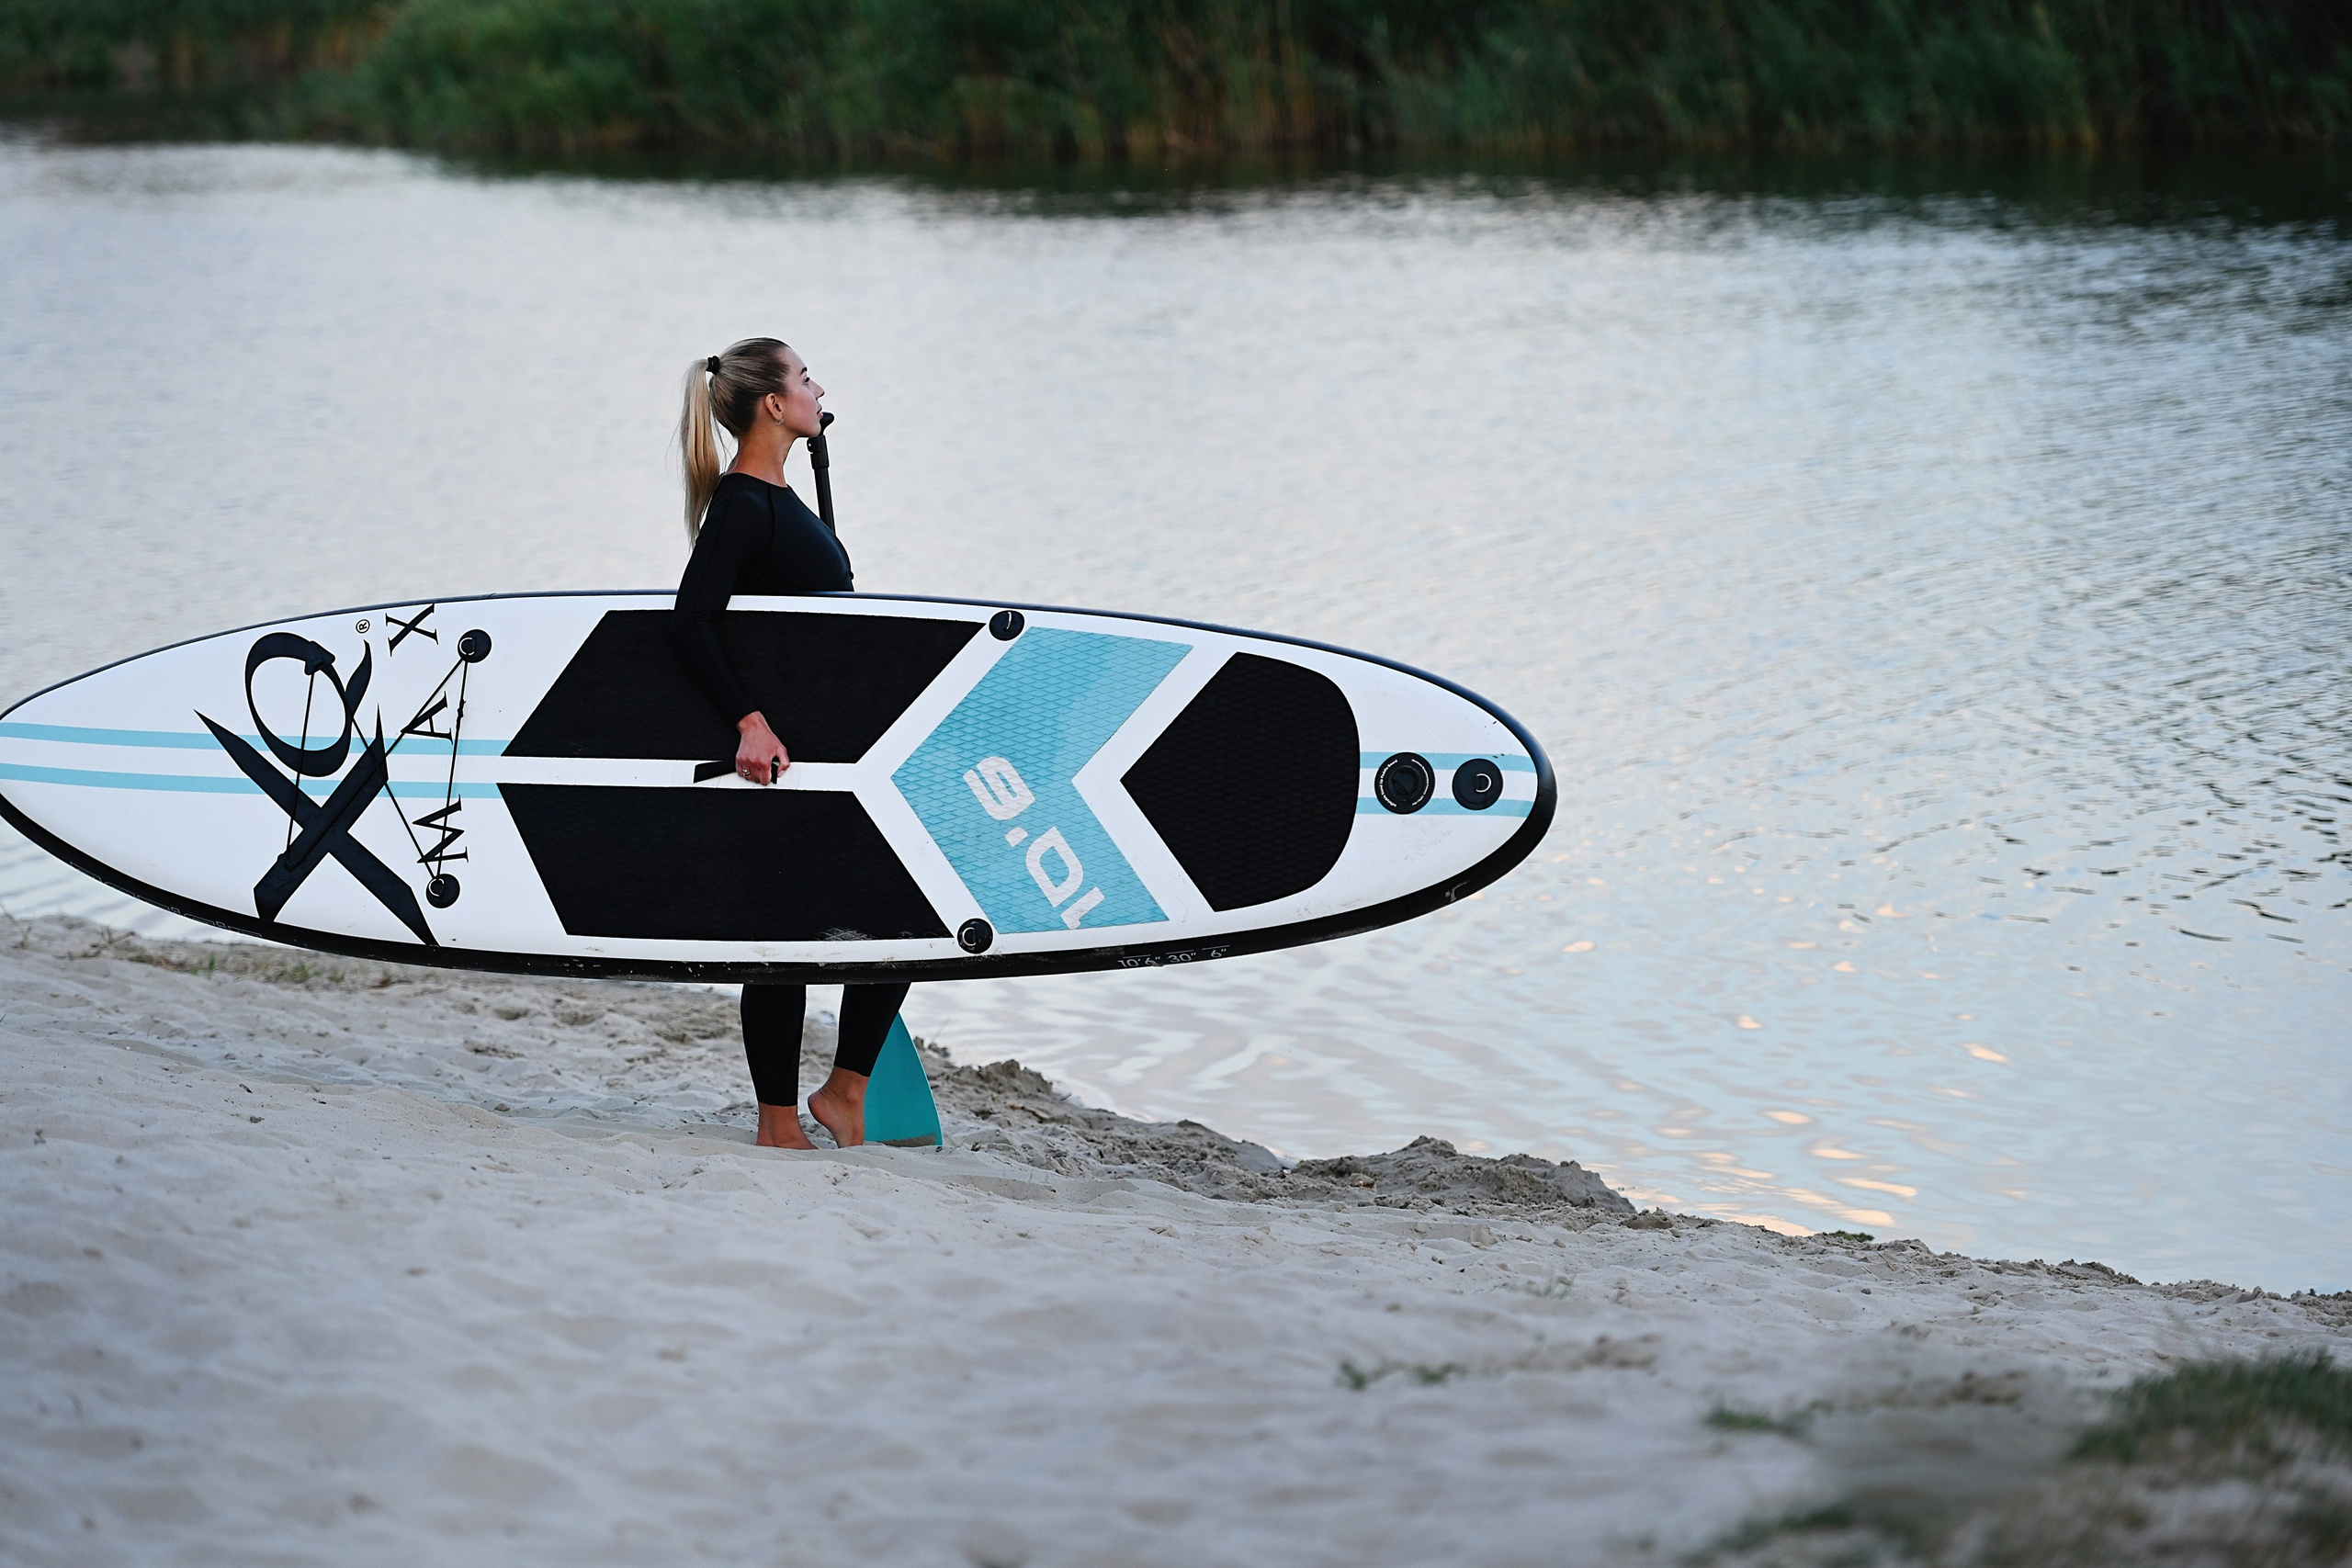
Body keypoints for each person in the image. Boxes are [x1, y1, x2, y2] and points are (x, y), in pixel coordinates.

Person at [672, 336, 908, 1150]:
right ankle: (778, 1121)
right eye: (805, 378)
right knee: (782, 935)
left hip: (835, 756)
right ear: (774, 404)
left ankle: (844, 1090)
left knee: (902, 916)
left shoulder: (784, 496)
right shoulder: (743, 502)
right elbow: (690, 619)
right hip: (779, 760)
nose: (816, 388)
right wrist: (748, 719)